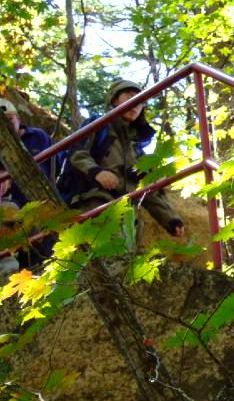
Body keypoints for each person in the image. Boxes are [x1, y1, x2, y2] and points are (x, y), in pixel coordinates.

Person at [62, 79, 185, 243]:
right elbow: (76, 152)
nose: (135, 104)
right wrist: (96, 172)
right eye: (129, 96)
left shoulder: (137, 147)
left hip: (126, 213)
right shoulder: (98, 125)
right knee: (113, 252)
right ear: (114, 100)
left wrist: (171, 219)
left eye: (140, 101)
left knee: (126, 254)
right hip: (94, 202)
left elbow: (146, 187)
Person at [0, 98, 61, 271]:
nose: (6, 125)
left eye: (9, 119)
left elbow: (56, 165)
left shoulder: (37, 137)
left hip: (41, 200)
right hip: (11, 205)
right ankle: (8, 273)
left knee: (48, 241)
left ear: (18, 118)